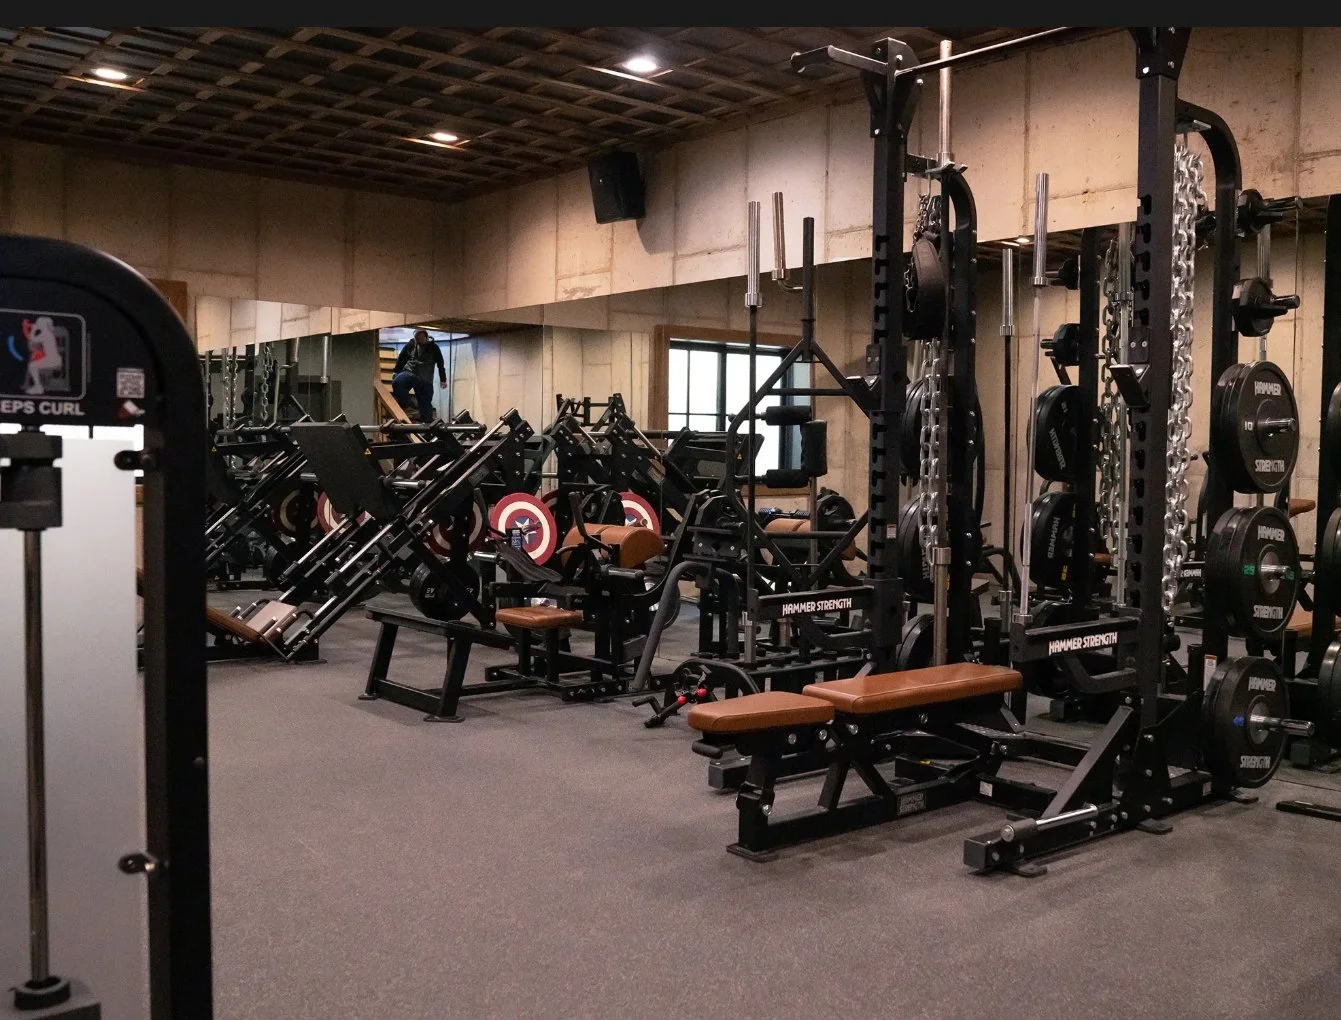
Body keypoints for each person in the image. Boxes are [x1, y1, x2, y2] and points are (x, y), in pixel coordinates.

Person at [392, 329, 448, 422]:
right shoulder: (410, 345)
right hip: (410, 373)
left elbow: (440, 364)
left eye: (421, 337)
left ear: (425, 337)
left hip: (425, 379)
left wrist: (443, 379)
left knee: (425, 403)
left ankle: (426, 424)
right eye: (417, 338)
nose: (419, 339)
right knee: (398, 383)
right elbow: (402, 358)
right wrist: (396, 371)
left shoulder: (433, 347)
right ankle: (408, 406)